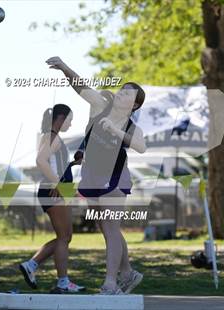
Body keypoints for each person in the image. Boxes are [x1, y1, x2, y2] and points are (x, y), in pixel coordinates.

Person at [46, 56, 147, 294]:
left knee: (111, 227)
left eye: (128, 95)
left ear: (134, 105)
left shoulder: (132, 127)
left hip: (115, 178)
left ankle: (110, 283)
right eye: (122, 91)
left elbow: (141, 146)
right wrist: (64, 67)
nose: (122, 94)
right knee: (105, 225)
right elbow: (80, 86)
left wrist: (116, 131)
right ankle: (128, 273)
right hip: (91, 176)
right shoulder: (101, 106)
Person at [19, 104, 85, 294]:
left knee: (65, 237)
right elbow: (40, 161)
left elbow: (53, 163)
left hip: (54, 190)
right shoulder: (51, 136)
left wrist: (72, 163)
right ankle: (62, 282)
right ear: (60, 118)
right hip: (53, 191)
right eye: (69, 120)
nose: (70, 125)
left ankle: (31, 265)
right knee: (64, 237)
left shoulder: (51, 137)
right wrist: (57, 183)